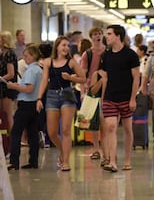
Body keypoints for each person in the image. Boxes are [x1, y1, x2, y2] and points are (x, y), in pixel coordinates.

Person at [36, 36, 86, 171]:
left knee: (65, 130)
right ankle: (63, 153)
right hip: (51, 96)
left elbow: (83, 79)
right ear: (57, 47)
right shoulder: (48, 62)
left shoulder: (71, 62)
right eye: (63, 45)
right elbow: (44, 81)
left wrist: (70, 77)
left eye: (67, 46)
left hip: (67, 95)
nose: (66, 48)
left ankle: (66, 162)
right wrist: (39, 98)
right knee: (52, 132)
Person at [100, 25, 140, 172]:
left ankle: (128, 160)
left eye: (109, 34)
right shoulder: (106, 56)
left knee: (128, 129)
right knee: (110, 127)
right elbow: (105, 78)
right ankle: (112, 161)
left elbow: (136, 78)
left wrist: (133, 99)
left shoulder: (130, 55)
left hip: (126, 97)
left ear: (118, 36)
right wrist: (102, 98)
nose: (107, 37)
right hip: (110, 97)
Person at [7, 45, 42, 170]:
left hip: (26, 104)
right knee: (32, 134)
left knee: (16, 132)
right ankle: (33, 161)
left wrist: (14, 86)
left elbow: (29, 88)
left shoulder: (32, 70)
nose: (24, 58)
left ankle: (14, 161)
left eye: (26, 56)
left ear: (33, 56)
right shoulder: (39, 69)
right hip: (34, 105)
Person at [80, 27, 107, 164]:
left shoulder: (107, 51)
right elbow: (82, 74)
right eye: (95, 34)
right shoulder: (87, 54)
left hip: (106, 88)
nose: (98, 36)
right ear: (91, 37)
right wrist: (83, 92)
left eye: (99, 34)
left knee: (105, 120)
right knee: (92, 121)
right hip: (92, 89)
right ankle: (96, 148)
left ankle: (106, 150)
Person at [0, 30, 19, 156]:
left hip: (7, 87)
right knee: (3, 116)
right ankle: (5, 144)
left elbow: (11, 73)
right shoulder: (2, 54)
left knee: (8, 116)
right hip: (2, 86)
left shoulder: (9, 54)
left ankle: (12, 145)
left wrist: (1, 79)